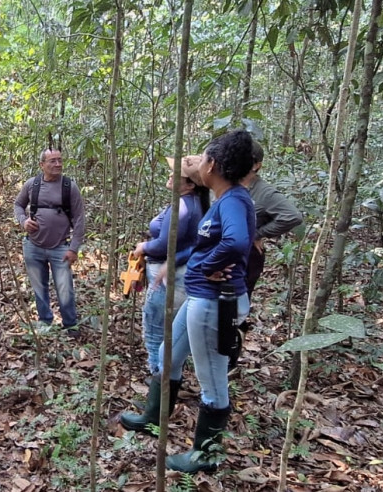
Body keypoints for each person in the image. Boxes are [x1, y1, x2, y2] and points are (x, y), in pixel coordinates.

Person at [161, 130, 256, 473]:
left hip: (214, 302)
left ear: (212, 164)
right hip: (205, 297)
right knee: (169, 353)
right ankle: (153, 417)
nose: (197, 164)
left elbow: (236, 242)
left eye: (201, 158)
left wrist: (209, 265)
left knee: (212, 383)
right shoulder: (228, 199)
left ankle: (205, 457)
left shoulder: (232, 200)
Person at [120, 155, 209, 433]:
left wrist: (143, 247)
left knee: (157, 330)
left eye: (176, 175)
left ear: (190, 185)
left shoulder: (184, 206)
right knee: (167, 332)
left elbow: (163, 244)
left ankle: (157, 385)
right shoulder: (189, 204)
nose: (170, 178)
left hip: (172, 277)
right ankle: (158, 394)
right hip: (175, 273)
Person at [228, 141, 303, 369]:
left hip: (247, 259)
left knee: (236, 310)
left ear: (257, 165)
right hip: (224, 255)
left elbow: (292, 216)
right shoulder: (229, 184)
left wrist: (257, 234)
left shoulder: (264, 192)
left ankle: (230, 361)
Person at [13, 147, 86, 338]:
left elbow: (79, 219)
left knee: (65, 287)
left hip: (60, 247)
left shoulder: (69, 186)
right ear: (42, 165)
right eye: (52, 161)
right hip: (33, 246)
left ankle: (70, 325)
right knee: (39, 286)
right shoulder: (32, 185)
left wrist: (74, 249)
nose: (58, 164)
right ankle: (45, 322)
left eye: (60, 160)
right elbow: (18, 205)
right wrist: (23, 221)